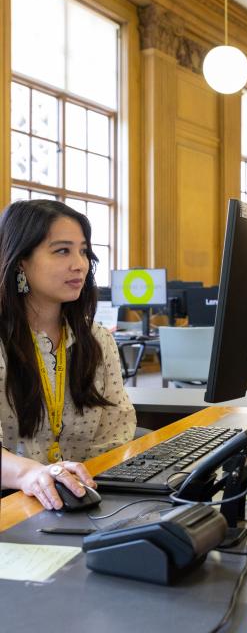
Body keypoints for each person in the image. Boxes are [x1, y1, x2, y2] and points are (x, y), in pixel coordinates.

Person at [0, 199, 136, 510]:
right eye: (62, 250)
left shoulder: (97, 339)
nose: (80, 264)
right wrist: (30, 474)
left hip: (85, 498)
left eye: (83, 251)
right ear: (20, 260)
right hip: (14, 505)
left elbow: (117, 435)